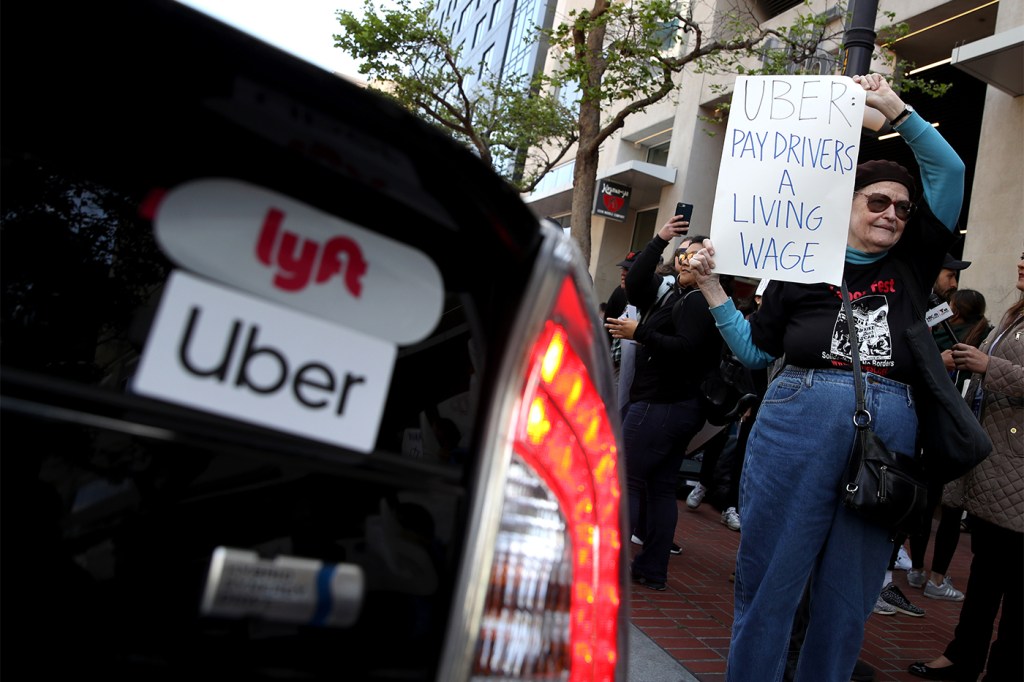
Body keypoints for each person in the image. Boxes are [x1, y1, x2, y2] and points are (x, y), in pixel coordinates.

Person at [688, 73, 966, 680]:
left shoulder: (913, 264)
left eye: (902, 207)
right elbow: (758, 353)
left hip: (885, 439)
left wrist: (896, 108)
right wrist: (713, 290)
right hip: (795, 427)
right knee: (771, 581)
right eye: (878, 201)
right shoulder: (797, 267)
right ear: (845, 204)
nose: (892, 213)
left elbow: (949, 173)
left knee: (848, 598)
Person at [908, 251, 1023, 682]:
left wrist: (990, 365)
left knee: (1014, 582)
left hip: (1016, 472)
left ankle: (1002, 669)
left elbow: (1004, 370)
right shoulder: (1016, 313)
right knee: (986, 572)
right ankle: (963, 656)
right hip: (997, 467)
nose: (1023, 260)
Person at [605, 219, 722, 591]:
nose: (688, 260)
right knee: (658, 487)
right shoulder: (674, 294)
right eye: (684, 253)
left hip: (662, 405)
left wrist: (640, 333)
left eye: (699, 254)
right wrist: (660, 239)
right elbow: (636, 282)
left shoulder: (700, 302)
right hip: (671, 406)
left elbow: (687, 350)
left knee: (626, 481)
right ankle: (652, 569)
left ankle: (609, 566)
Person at [905, 287, 993, 602]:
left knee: (927, 498)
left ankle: (918, 569)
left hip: (937, 425)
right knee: (948, 506)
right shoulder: (977, 335)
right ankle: (935, 576)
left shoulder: (982, 339)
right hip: (958, 426)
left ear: (955, 308)